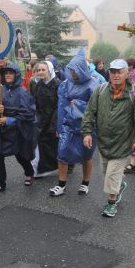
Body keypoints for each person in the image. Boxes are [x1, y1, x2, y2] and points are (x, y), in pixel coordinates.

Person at [82, 59, 135, 217]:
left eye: (119, 72)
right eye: (113, 71)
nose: (116, 75)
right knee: (107, 174)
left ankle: (111, 203)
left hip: (123, 143)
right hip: (104, 142)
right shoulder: (100, 90)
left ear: (127, 74)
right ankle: (118, 187)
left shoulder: (134, 94)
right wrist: (86, 133)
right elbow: (89, 113)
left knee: (112, 175)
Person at [50, 49, 99, 197]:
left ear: (82, 69)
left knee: (87, 156)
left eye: (75, 70)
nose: (73, 74)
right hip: (68, 125)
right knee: (62, 153)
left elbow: (96, 107)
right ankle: (61, 184)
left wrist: (77, 104)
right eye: (71, 70)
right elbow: (61, 105)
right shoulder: (66, 84)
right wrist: (59, 126)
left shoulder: (93, 84)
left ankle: (85, 183)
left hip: (87, 128)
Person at [0, 62, 36, 193]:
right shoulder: (0, 90)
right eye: (5, 73)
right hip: (1, 129)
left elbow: (28, 114)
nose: (8, 75)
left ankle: (29, 172)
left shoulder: (23, 93)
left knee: (20, 155)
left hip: (16, 130)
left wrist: (10, 120)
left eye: (11, 73)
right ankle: (0, 183)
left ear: (16, 75)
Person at [30, 61, 60, 177]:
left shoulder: (58, 85)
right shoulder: (38, 85)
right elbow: (34, 102)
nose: (40, 72)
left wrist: (55, 123)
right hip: (40, 121)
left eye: (43, 70)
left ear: (50, 70)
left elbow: (60, 106)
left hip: (53, 121)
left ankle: (62, 165)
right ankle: (38, 170)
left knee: (51, 146)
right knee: (39, 145)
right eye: (38, 70)